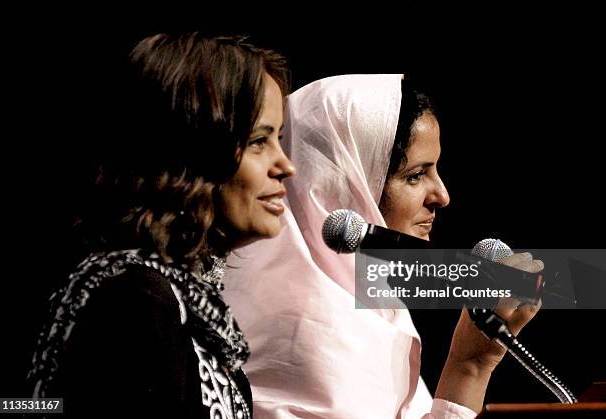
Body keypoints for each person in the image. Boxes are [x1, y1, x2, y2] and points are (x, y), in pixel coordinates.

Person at [223, 74, 543, 418]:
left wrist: (473, 365)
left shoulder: (363, 303)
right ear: (343, 187)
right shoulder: (305, 330)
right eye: (415, 175)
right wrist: (469, 368)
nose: (442, 196)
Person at [27, 33, 295, 419]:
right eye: (258, 141)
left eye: (279, 140)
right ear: (195, 151)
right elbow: (29, 406)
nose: (286, 166)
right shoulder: (130, 298)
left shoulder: (186, 300)